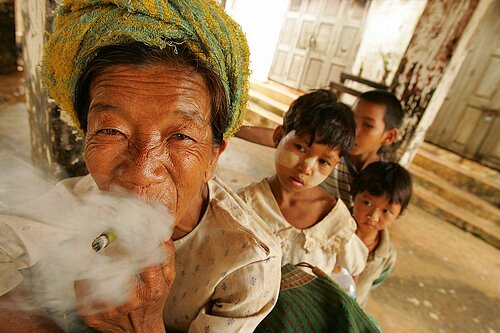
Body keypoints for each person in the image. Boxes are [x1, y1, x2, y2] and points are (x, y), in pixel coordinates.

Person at [0, 1, 281, 332]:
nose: (140, 170)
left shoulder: (246, 262)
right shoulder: (81, 200)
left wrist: (143, 325)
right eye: (111, 130)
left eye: (180, 136)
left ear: (213, 158)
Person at [238, 89, 368, 279]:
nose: (306, 168)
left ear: (334, 166)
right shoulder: (245, 204)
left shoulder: (334, 219)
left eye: (323, 162)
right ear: (278, 137)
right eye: (300, 148)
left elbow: (354, 268)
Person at [236, 89, 404, 210]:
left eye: (367, 125)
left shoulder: (381, 178)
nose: (354, 129)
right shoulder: (330, 146)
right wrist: (232, 130)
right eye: (352, 119)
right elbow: (283, 138)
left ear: (389, 136)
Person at [351, 161, 413, 307]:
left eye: (386, 211)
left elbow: (371, 285)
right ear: (354, 195)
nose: (373, 216)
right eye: (367, 203)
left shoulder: (387, 256)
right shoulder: (331, 229)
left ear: (398, 215)